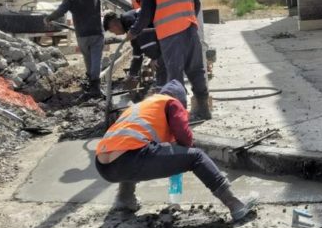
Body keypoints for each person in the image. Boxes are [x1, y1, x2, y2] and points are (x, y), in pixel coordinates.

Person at [94, 80, 256, 220]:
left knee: (134, 149)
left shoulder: (141, 107)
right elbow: (185, 139)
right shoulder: (171, 103)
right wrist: (187, 158)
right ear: (180, 100)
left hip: (104, 166)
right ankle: (235, 204)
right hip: (130, 159)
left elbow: (129, 143)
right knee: (197, 157)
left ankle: (124, 199)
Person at [127, 0, 211, 119]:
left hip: (171, 35)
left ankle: (179, 118)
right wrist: (187, 20)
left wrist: (134, 31)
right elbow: (196, 4)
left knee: (174, 77)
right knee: (196, 70)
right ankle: (203, 110)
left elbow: (146, 14)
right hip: (190, 29)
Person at [45, 0, 104, 98]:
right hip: (97, 31)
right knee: (96, 59)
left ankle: (93, 84)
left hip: (82, 33)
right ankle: (95, 86)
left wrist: (49, 18)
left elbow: (61, 11)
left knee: (88, 59)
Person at [103, 10, 168, 88]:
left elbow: (145, 38)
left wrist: (154, 57)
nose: (116, 34)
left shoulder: (129, 20)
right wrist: (132, 74)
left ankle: (164, 92)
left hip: (168, 30)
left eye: (113, 32)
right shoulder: (129, 25)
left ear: (114, 25)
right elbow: (137, 50)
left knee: (159, 64)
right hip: (163, 34)